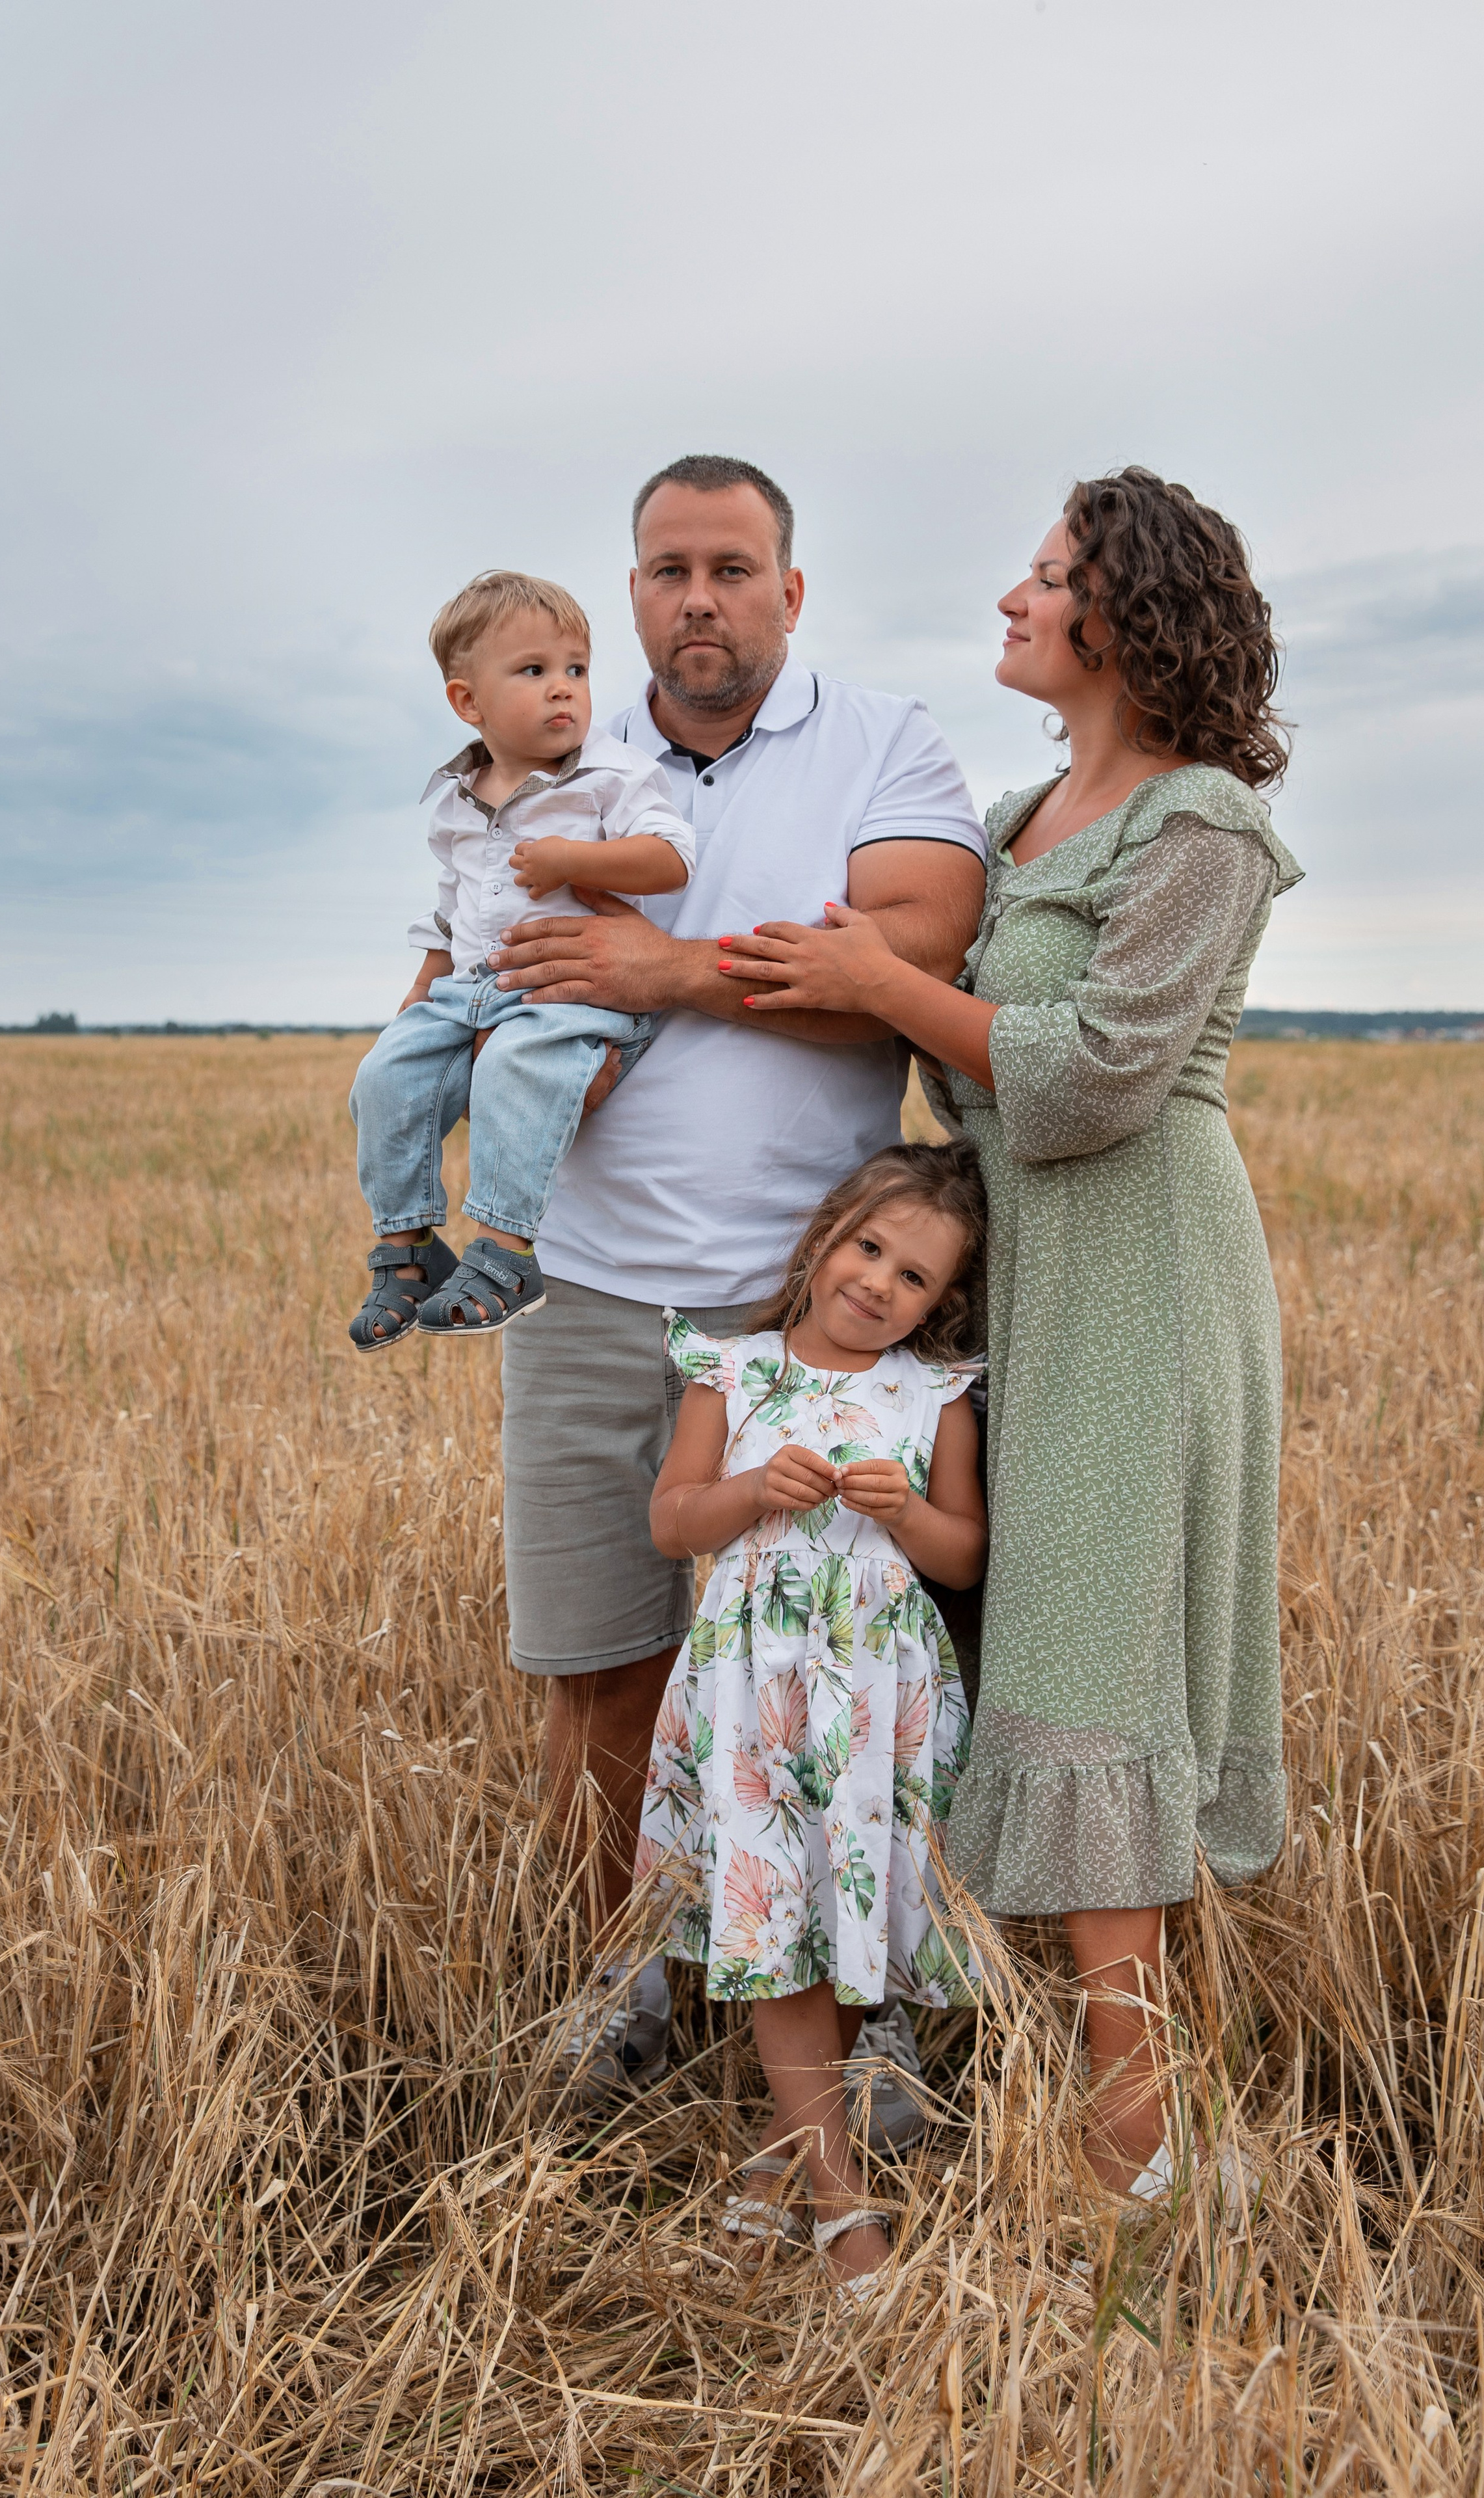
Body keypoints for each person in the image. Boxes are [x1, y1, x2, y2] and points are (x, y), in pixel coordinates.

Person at [715, 465, 1301, 2199]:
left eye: (1045, 577)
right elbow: (950, 1049)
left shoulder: (1203, 826)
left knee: (1085, 1673)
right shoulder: (1023, 810)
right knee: (999, 1644)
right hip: (1022, 1274)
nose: (1011, 599)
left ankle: (1140, 2151)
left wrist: (883, 984)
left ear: (1124, 614)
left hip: (1136, 1274)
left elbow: (1098, 1076)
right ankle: (1041, 2085)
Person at [486, 455, 988, 2133]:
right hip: (584, 1283)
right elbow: (479, 946)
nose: (695, 598)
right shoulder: (558, 763)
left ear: (790, 589)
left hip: (813, 1310)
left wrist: (660, 970)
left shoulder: (883, 743)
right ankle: (621, 1992)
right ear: (628, 591)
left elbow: (908, 965)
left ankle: (877, 2002)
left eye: (729, 566)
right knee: (600, 1669)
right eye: (664, 569)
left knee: (852, 1667)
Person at [634, 1141, 988, 2293]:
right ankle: (842, 2204)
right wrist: (749, 1492)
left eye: (914, 1276)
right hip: (754, 1694)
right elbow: (673, 1522)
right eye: (868, 1247)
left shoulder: (933, 1396)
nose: (879, 1283)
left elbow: (964, 1556)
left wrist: (906, 1514)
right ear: (825, 1235)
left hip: (878, 1699)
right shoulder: (733, 1372)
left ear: (941, 1302)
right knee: (772, 1912)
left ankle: (781, 2162)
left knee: (847, 1917)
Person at [346, 571, 695, 1350]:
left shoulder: (611, 776)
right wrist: (421, 992)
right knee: (384, 1077)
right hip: (469, 988)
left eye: (576, 668)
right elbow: (451, 908)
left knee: (512, 1066)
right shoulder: (455, 797)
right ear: (467, 702)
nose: (563, 688)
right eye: (534, 671)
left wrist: (575, 859)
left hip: (570, 995)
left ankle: (508, 1254)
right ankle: (407, 1251)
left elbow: (671, 859)